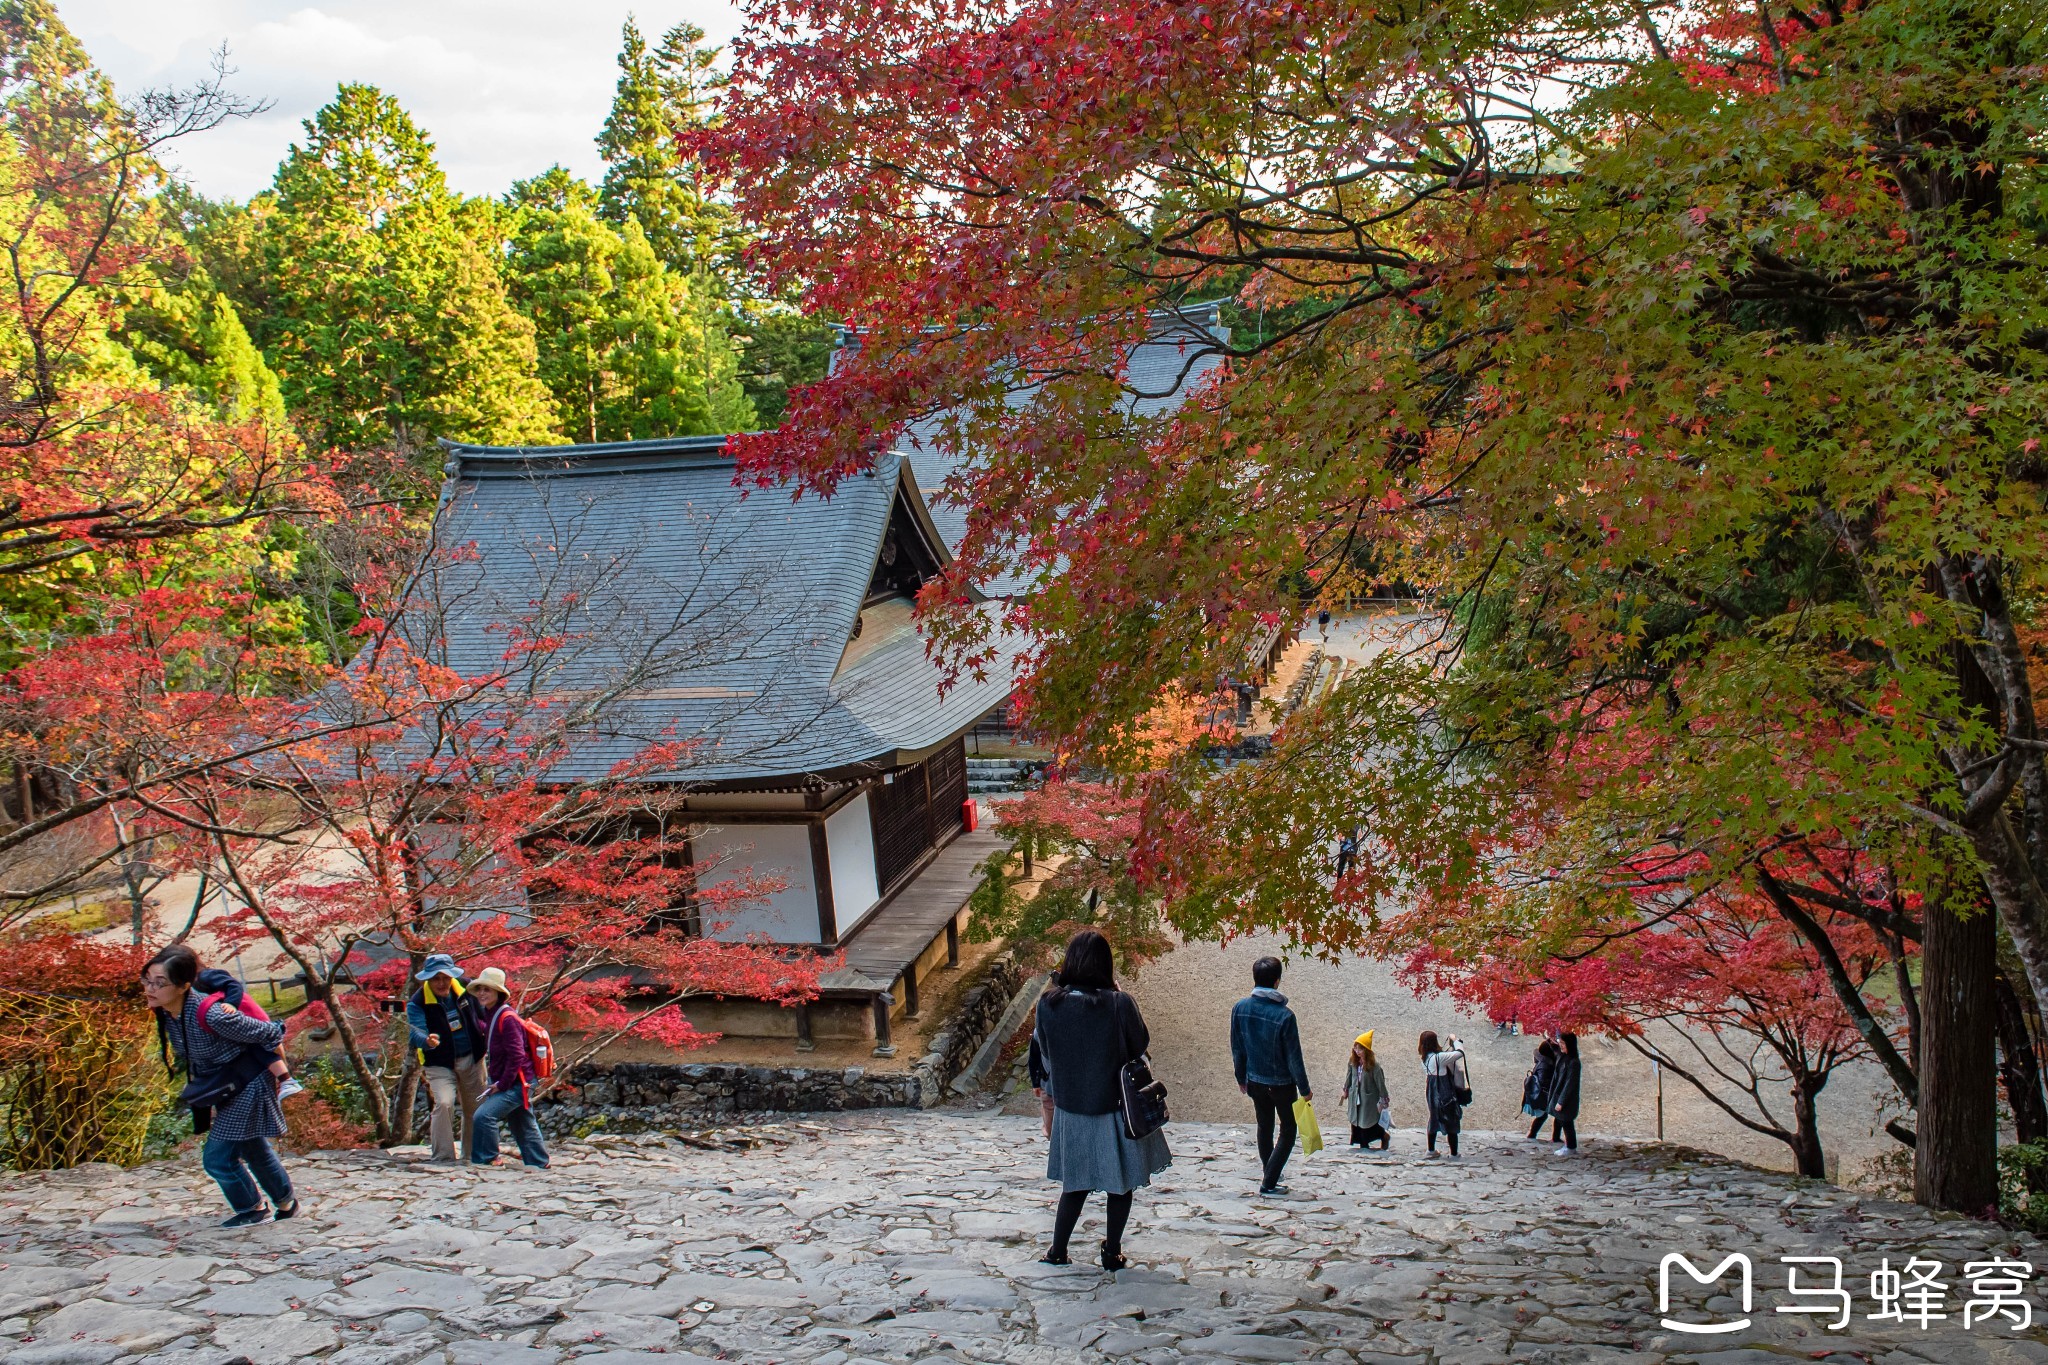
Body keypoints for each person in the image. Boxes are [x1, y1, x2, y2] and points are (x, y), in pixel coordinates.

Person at [1032, 929, 1170, 1269]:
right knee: (1119, 1186)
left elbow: (1046, 1051)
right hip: (1112, 1107)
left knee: (1074, 1185)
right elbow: (1139, 1045)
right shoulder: (1118, 1003)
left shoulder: (1048, 1005)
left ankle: (1058, 1250)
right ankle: (1111, 1252)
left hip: (1070, 1106)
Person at [141, 944, 300, 1227]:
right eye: (147, 980)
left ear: (183, 986)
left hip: (249, 1084)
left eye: (160, 983)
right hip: (225, 1086)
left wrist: (277, 1072)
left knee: (217, 1158)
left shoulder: (214, 1015)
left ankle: (252, 1208)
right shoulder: (169, 1014)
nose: (150, 988)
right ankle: (286, 1203)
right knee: (252, 1147)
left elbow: (270, 1032)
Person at [1230, 956, 1313, 1195]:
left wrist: (1241, 1077)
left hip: (1254, 1079)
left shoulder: (1240, 1008)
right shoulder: (1285, 1016)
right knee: (1288, 1128)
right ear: (1277, 981)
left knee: (1264, 1126)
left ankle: (1270, 1171)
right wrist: (1305, 1088)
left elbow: (1237, 1046)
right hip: (1281, 1084)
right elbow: (1294, 1057)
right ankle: (1269, 1182)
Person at [467, 967, 550, 1169]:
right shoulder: (491, 1014)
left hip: (517, 1082)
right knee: (521, 1121)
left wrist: (501, 1084)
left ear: (498, 993)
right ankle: (539, 1162)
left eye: (488, 989)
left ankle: (488, 1158)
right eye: (480, 989)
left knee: (484, 1116)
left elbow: (517, 1056)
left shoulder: (508, 1018)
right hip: (516, 1080)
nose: (482, 994)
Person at [406, 954, 484, 1164]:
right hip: (438, 1062)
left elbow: (487, 1012)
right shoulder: (418, 1002)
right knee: (444, 1102)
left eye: (445, 977)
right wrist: (427, 1040)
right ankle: (443, 1156)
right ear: (427, 980)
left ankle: (473, 1154)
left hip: (471, 1057)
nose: (441, 983)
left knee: (474, 1107)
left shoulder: (467, 989)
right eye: (435, 978)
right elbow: (415, 1032)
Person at [192, 966, 303, 1099]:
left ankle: (287, 1080)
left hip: (246, 1015)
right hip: (238, 1019)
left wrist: (231, 1003)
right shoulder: (195, 986)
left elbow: (233, 985)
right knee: (257, 1050)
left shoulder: (206, 976)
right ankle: (284, 1081)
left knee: (261, 1048)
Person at [1420, 1030, 1468, 1159]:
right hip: (1444, 1091)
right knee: (1451, 1119)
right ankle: (1453, 1153)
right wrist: (1456, 1040)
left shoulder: (1425, 1059)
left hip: (1432, 1091)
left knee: (1434, 1118)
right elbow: (1460, 1053)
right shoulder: (1439, 1058)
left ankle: (1431, 1150)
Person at [1342, 1031, 1390, 1150]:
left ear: (1367, 1050)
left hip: (1368, 1099)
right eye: (1356, 1048)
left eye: (1361, 1049)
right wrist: (1346, 1089)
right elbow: (1349, 1076)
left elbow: (1380, 1083)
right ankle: (1363, 1144)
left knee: (1367, 1122)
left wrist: (1384, 1097)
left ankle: (1383, 1136)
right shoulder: (1353, 1062)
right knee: (1357, 1121)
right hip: (1355, 1096)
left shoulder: (1374, 1066)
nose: (1357, 1051)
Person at [1548, 1031, 1583, 1155]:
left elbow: (1570, 1084)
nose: (1561, 1045)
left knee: (1567, 1123)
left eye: (1563, 1043)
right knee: (1563, 1121)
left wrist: (1561, 1101)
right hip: (1559, 1095)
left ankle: (1571, 1147)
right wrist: (1548, 1038)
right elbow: (1556, 1049)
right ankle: (1567, 1145)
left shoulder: (1574, 1063)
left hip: (1567, 1099)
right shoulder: (1564, 1057)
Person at [1523, 1037, 1560, 1141]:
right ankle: (1536, 1135)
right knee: (1547, 1116)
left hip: (1547, 1093)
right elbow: (1544, 1081)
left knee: (1544, 1116)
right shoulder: (1546, 1065)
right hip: (1546, 1094)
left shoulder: (1542, 1063)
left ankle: (1533, 1135)